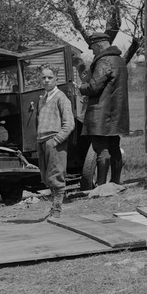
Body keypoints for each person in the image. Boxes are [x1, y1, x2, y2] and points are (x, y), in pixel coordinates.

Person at [73, 31, 130, 186]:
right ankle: (115, 182)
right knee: (114, 147)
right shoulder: (119, 61)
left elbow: (94, 86)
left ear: (99, 45)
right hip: (116, 114)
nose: (92, 52)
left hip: (101, 114)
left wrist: (81, 87)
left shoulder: (103, 61)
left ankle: (101, 186)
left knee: (101, 149)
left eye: (92, 48)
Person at [35, 65, 74, 218]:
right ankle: (53, 207)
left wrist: (56, 140)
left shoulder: (60, 97)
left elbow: (69, 123)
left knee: (56, 174)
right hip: (42, 141)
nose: (46, 80)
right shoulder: (42, 98)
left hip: (54, 141)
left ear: (56, 79)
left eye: (50, 77)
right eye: (43, 77)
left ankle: (57, 209)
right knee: (46, 176)